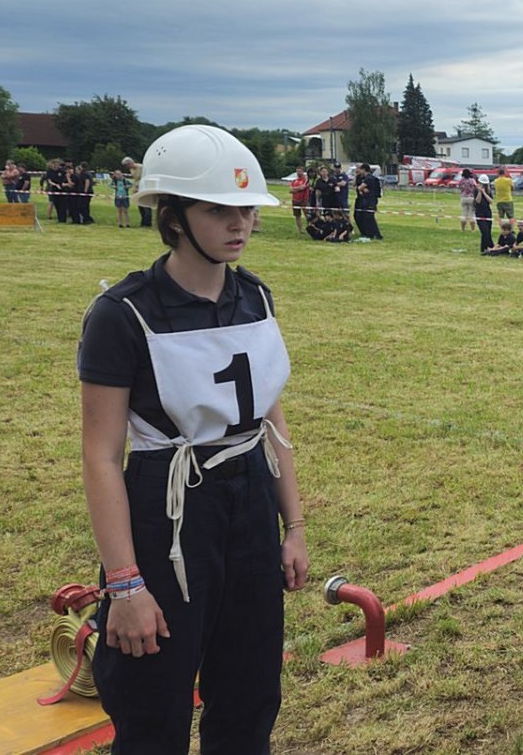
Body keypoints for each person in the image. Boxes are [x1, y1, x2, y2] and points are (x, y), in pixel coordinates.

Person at [78, 124, 308, 753]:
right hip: (168, 510)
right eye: (217, 210)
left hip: (250, 500)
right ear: (173, 216)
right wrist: (125, 584)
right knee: (153, 701)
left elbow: (270, 418)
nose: (240, 223)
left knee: (250, 692)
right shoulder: (123, 314)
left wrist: (292, 526)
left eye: (247, 209)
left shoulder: (254, 296)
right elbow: (102, 456)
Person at [353, 164, 383, 240]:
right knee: (364, 217)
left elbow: (359, 188)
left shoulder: (369, 178)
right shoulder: (365, 178)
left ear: (364, 169)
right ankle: (367, 233)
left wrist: (361, 188)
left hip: (370, 200)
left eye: (360, 169)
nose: (359, 171)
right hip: (367, 199)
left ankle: (376, 234)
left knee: (369, 217)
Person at [475, 174, 495, 251]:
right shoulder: (475, 190)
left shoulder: (488, 190)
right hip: (479, 213)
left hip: (487, 212)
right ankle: (490, 246)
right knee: (484, 231)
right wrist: (480, 192)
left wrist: (484, 192)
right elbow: (478, 201)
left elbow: (491, 201)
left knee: (488, 231)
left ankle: (485, 248)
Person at [289, 168, 311, 234]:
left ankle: (309, 228)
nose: (298, 172)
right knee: (297, 215)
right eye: (297, 171)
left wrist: (295, 189)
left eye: (299, 171)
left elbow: (303, 187)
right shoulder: (294, 181)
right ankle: (300, 230)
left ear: (303, 172)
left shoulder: (306, 180)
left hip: (304, 200)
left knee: (307, 215)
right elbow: (290, 190)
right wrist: (298, 188)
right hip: (295, 200)